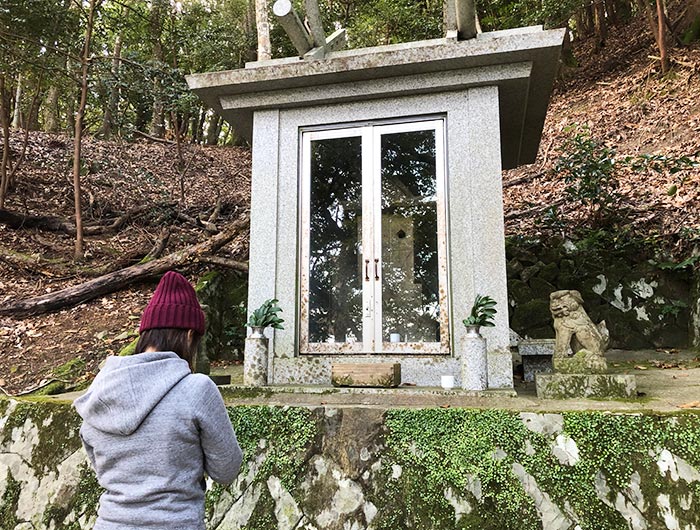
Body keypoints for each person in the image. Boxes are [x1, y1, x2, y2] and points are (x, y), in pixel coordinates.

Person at [75, 270, 242, 530]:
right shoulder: (196, 389)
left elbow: (100, 467)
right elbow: (227, 469)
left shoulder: (100, 391)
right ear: (189, 336)